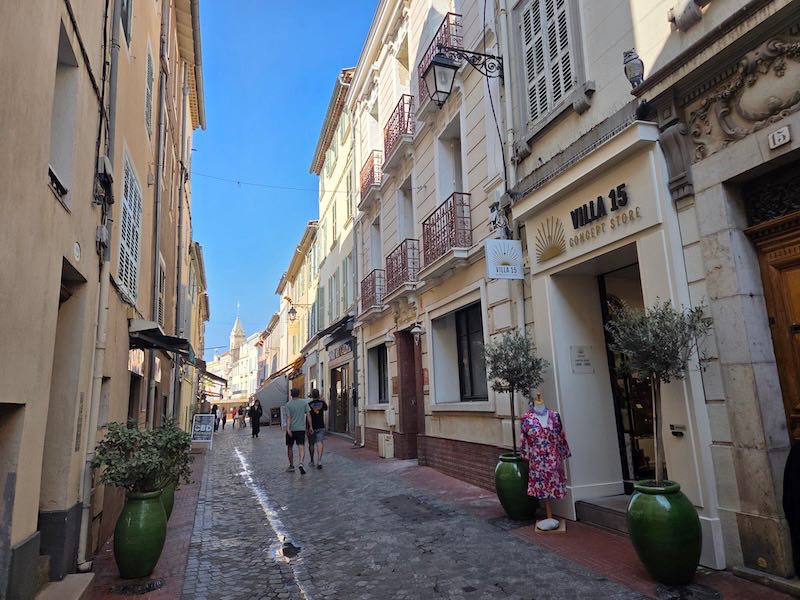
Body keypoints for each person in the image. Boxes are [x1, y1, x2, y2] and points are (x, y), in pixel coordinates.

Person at [519, 392, 571, 531]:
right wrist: (525, 455)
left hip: (553, 460)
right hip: (537, 462)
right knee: (541, 488)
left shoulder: (555, 416)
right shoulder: (526, 418)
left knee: (553, 486)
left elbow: (561, 437)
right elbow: (524, 440)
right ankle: (548, 519)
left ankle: (551, 519)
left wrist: (563, 453)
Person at [285, 388, 311, 474]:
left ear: (291, 395)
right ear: (299, 394)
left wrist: (288, 429)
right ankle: (301, 463)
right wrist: (310, 426)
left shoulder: (288, 405)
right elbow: (308, 415)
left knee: (290, 447)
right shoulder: (304, 403)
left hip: (292, 429)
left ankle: (291, 465)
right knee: (301, 446)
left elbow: (288, 417)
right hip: (301, 429)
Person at [307, 389, 328, 469]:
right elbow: (326, 408)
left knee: (311, 444)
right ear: (318, 395)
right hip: (320, 426)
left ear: (312, 395)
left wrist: (308, 427)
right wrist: (323, 400)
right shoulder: (322, 403)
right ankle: (319, 460)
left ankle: (312, 460)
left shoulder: (309, 404)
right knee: (319, 443)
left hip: (311, 427)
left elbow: (307, 416)